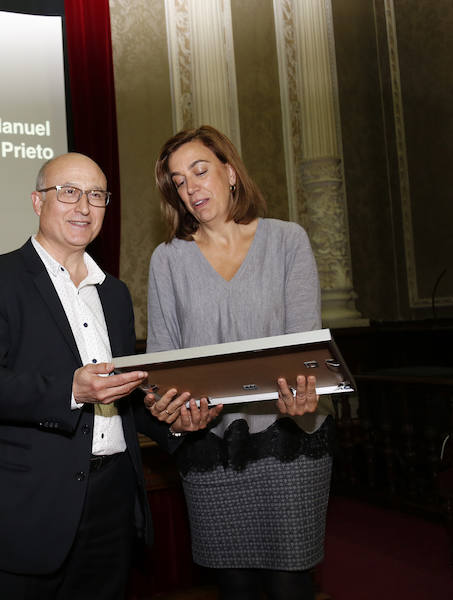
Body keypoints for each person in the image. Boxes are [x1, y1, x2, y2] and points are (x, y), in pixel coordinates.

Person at [0, 152, 218, 599]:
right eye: (68, 192)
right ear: (37, 201)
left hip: (112, 503)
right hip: (27, 507)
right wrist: (70, 389)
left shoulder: (114, 293)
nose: (83, 207)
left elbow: (125, 395)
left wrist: (173, 421)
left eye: (96, 195)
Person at [144, 125, 332, 600]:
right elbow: (162, 364)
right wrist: (174, 411)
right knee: (234, 587)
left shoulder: (288, 241)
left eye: (200, 171)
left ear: (229, 172)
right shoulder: (167, 260)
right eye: (179, 181)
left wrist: (305, 395)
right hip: (209, 448)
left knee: (291, 585)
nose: (191, 188)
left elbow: (304, 349)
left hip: (292, 439)